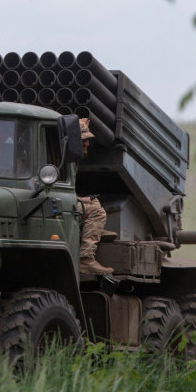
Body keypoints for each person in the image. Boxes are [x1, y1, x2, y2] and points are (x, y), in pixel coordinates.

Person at [77, 118, 113, 278]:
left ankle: (91, 231)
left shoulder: (64, 155)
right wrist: (77, 200)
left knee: (93, 201)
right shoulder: (61, 159)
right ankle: (85, 258)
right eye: (83, 140)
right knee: (97, 211)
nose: (87, 144)